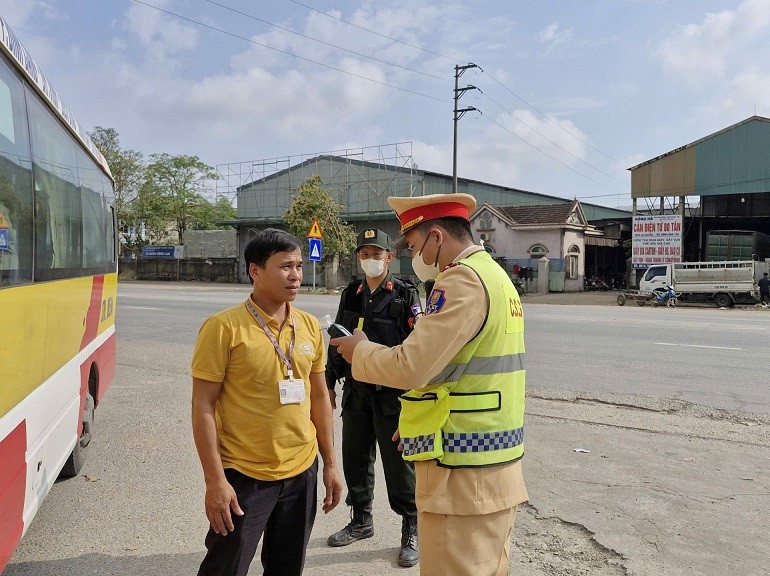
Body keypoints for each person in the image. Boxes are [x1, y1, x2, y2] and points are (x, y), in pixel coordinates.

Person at [332, 193, 528, 576]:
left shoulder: (461, 280)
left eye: (416, 245)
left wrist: (361, 351)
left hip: (462, 469)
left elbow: (413, 366)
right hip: (489, 460)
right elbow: (455, 368)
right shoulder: (494, 276)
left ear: (436, 236)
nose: (415, 256)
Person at [191, 228, 342, 576]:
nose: (296, 275)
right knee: (225, 567)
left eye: (300, 266)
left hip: (302, 470)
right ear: (255, 271)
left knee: (287, 567)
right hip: (245, 474)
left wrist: (330, 463)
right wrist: (215, 481)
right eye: (285, 266)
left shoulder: (306, 325)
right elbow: (202, 407)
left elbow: (319, 396)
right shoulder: (223, 328)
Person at [325, 228, 423, 567]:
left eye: (376, 254)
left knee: (400, 467)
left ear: (389, 257)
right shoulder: (350, 293)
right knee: (355, 458)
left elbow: (417, 347)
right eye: (364, 254)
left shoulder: (405, 295)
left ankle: (411, 529)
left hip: (391, 395)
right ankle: (361, 521)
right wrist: (328, 381)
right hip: (356, 392)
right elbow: (337, 336)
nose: (370, 260)